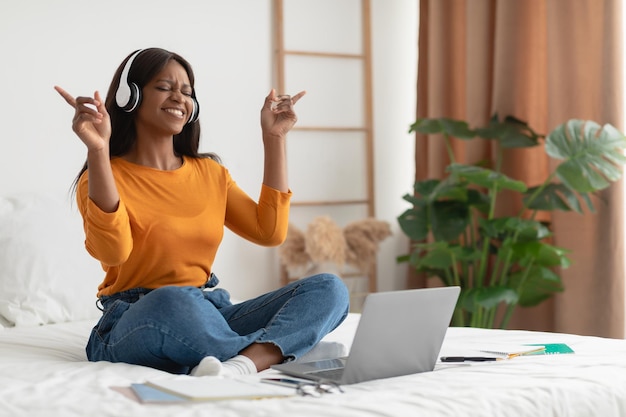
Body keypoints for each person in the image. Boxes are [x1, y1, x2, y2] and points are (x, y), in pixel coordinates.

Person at [54, 47, 349, 376]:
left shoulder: (211, 173)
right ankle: (279, 349)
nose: (179, 97)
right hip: (137, 318)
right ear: (130, 97)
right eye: (165, 87)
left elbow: (270, 232)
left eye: (187, 92)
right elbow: (114, 250)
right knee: (173, 302)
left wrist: (274, 137)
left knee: (329, 289)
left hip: (208, 310)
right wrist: (98, 150)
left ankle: (242, 364)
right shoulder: (103, 176)